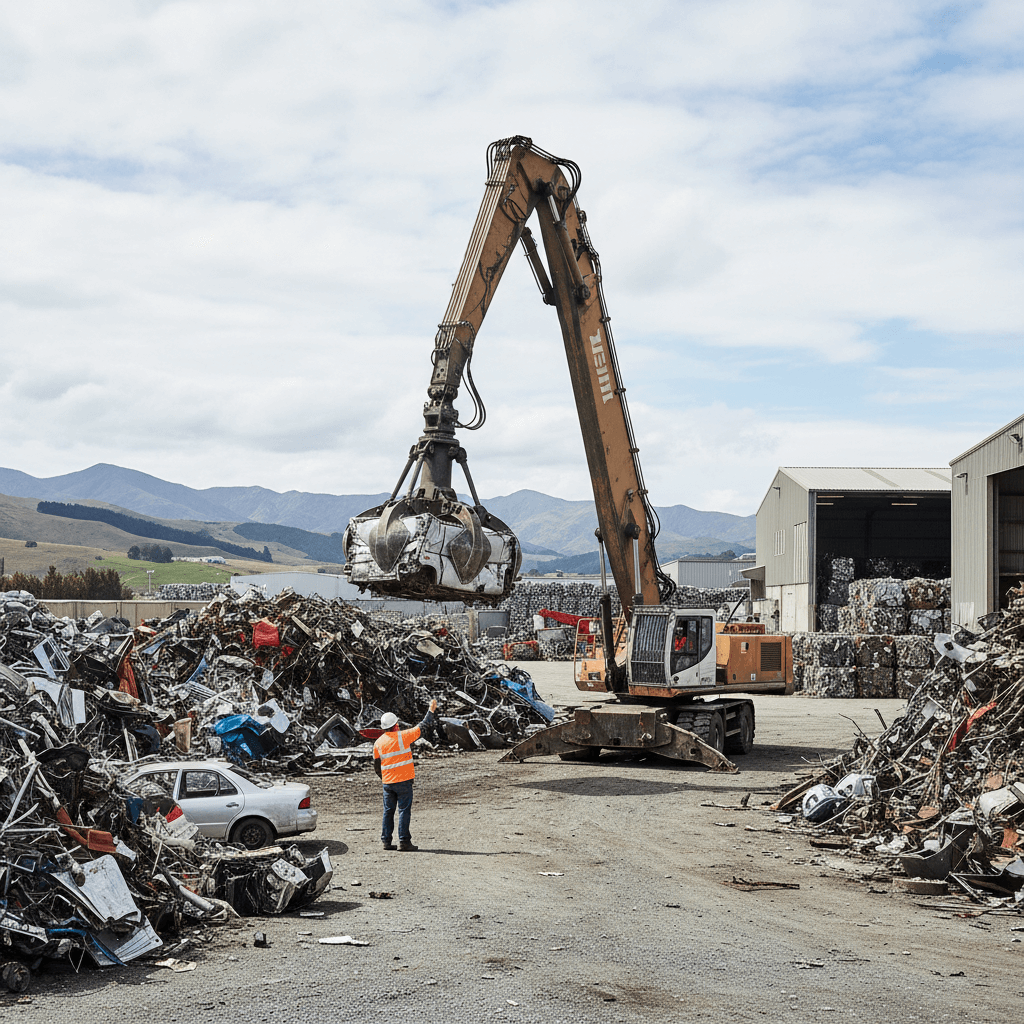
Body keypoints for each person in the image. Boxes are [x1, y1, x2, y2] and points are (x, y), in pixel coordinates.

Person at [373, 699, 437, 852]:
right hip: (404, 782)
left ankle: (386, 841)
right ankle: (404, 842)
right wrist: (431, 709)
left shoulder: (378, 743)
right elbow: (424, 724)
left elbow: (376, 766)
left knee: (388, 811)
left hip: (387, 783)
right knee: (403, 810)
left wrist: (385, 779)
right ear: (395, 725)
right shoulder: (404, 736)